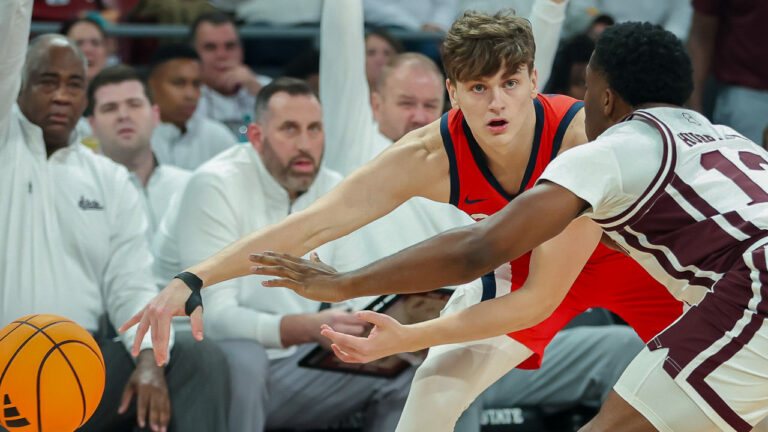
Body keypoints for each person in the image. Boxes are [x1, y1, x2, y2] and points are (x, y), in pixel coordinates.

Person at [122, 10, 683, 431]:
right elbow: (316, 223)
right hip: (526, 268)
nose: (497, 104)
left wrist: (404, 329)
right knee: (435, 387)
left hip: (635, 259)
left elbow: (535, 294)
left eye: (510, 84)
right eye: (478, 88)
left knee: (735, 390)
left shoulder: (581, 137)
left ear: (534, 80)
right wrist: (192, 278)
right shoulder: (428, 156)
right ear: (452, 91)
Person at [255, 22, 768, 432]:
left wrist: (347, 282)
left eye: (584, 90)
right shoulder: (728, 138)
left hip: (748, 290)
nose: (576, 104)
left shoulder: (603, 150)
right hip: (717, 282)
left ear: (605, 98)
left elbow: (476, 249)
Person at [320, 1, 642, 429]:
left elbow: (517, 85)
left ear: (449, 100)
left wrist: (549, 8)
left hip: (476, 322)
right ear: (374, 104)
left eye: (428, 104)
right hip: (375, 345)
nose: (418, 115)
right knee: (443, 376)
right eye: (405, 102)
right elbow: (341, 52)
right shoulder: (354, 147)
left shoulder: (474, 152)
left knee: (621, 348)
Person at [0, 2, 229, 432]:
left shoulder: (109, 179)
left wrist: (147, 362)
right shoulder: (5, 148)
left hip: (79, 356)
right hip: (3, 356)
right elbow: (8, 40)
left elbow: (130, 283)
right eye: (48, 82)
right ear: (18, 87)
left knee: (199, 358)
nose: (62, 95)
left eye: (74, 84)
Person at [152, 77, 414, 431]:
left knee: (413, 370)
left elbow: (352, 289)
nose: (305, 144)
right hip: (201, 366)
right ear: (257, 137)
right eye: (289, 129)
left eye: (314, 129)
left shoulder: (335, 188)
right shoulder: (214, 185)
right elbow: (213, 318)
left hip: (295, 362)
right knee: (246, 357)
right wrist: (304, 329)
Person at [88, 64, 191, 241]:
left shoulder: (188, 186)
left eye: (134, 105)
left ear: (156, 115)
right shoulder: (83, 193)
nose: (123, 115)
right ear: (92, 125)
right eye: (110, 108)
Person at [687, 0, 768, 144]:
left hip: (746, 96)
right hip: (746, 95)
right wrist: (694, 111)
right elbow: (700, 36)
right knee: (747, 164)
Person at [147, 44, 236, 170]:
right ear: (152, 85)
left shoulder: (216, 136)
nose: (190, 95)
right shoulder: (137, 137)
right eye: (179, 83)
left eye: (196, 84)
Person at [190, 11, 271, 136]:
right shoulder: (188, 96)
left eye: (230, 46)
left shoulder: (266, 87)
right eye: (210, 47)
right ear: (194, 53)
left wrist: (259, 92)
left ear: (241, 51)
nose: (222, 55)